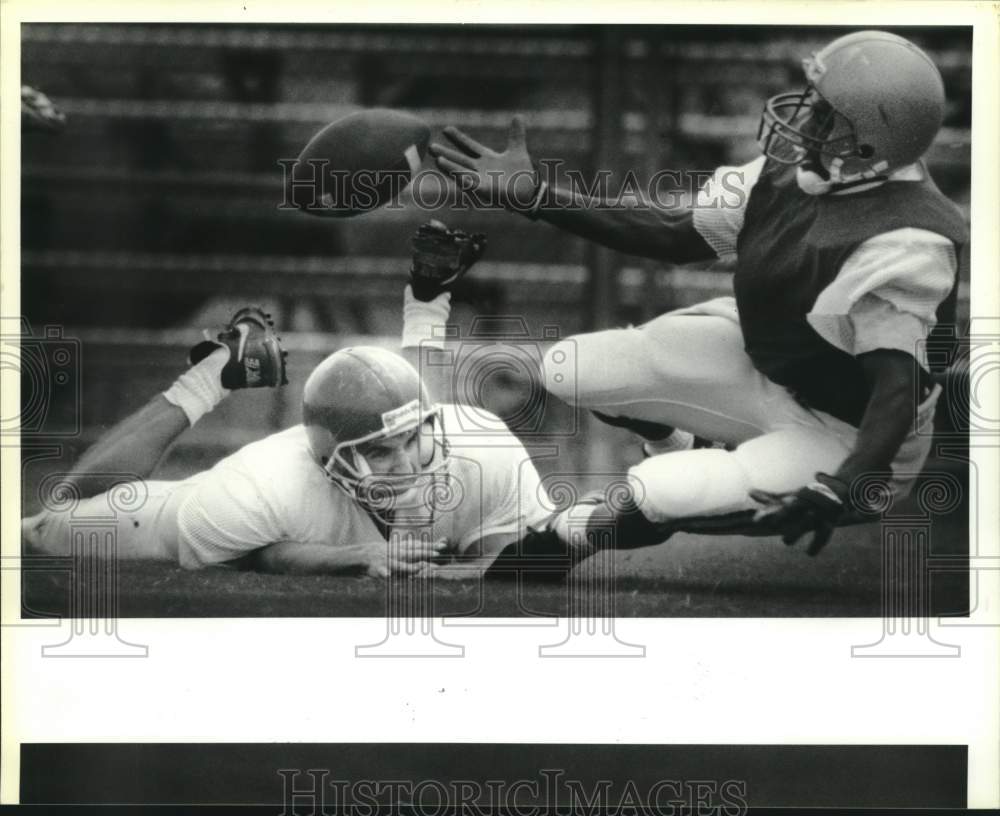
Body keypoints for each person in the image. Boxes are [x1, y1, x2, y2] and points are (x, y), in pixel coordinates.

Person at [429, 30, 968, 558]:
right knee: (571, 367)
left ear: (872, 144)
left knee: (664, 491)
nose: (805, 120)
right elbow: (674, 234)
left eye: (826, 116)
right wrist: (537, 197)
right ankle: (676, 443)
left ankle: (562, 541)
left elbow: (894, 390)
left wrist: (843, 482)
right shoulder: (802, 171)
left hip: (851, 435)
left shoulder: (907, 240)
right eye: (813, 103)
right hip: (771, 363)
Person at [22, 228, 552, 578]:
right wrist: (360, 557)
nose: (410, 463)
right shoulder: (262, 486)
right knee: (54, 523)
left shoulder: (478, 442)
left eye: (415, 438)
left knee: (408, 411)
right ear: (331, 464)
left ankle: (425, 300)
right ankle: (207, 380)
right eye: (382, 453)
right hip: (197, 512)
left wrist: (427, 303)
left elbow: (514, 562)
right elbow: (258, 556)